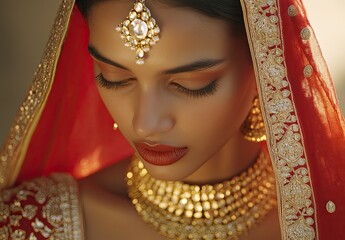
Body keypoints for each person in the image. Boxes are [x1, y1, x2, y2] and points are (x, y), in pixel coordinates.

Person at [0, 0, 344, 239]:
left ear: (266, 64)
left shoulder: (330, 219)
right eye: (114, 77)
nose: (145, 123)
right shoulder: (29, 226)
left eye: (189, 84)